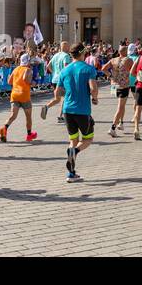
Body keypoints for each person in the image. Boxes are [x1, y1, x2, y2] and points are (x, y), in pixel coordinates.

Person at [56, 43, 100, 183]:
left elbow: (57, 92)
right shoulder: (89, 69)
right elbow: (93, 88)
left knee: (72, 140)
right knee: (88, 139)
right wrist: (94, 98)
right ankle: (75, 152)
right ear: (83, 53)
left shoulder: (65, 70)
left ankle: (71, 174)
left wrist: (68, 93)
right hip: (82, 110)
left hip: (67, 110)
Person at [0, 55, 38, 143]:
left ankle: (4, 128)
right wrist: (32, 83)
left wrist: (17, 84)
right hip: (24, 95)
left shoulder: (16, 69)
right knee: (28, 117)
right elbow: (26, 79)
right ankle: (29, 135)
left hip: (15, 95)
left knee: (13, 116)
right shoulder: (28, 69)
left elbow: (9, 81)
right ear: (27, 61)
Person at [102, 46, 134, 137]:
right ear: (125, 51)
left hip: (114, 85)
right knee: (120, 107)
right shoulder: (129, 60)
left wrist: (110, 76)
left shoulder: (113, 60)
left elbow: (103, 68)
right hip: (123, 86)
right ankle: (112, 128)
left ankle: (121, 123)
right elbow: (134, 71)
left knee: (121, 105)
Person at [40, 40, 74, 122]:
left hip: (55, 80)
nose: (69, 48)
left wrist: (54, 73)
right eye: (68, 46)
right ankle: (61, 116)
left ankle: (46, 107)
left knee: (58, 99)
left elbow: (48, 66)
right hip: (63, 80)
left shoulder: (55, 55)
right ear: (65, 47)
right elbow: (66, 67)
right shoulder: (66, 56)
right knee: (67, 97)